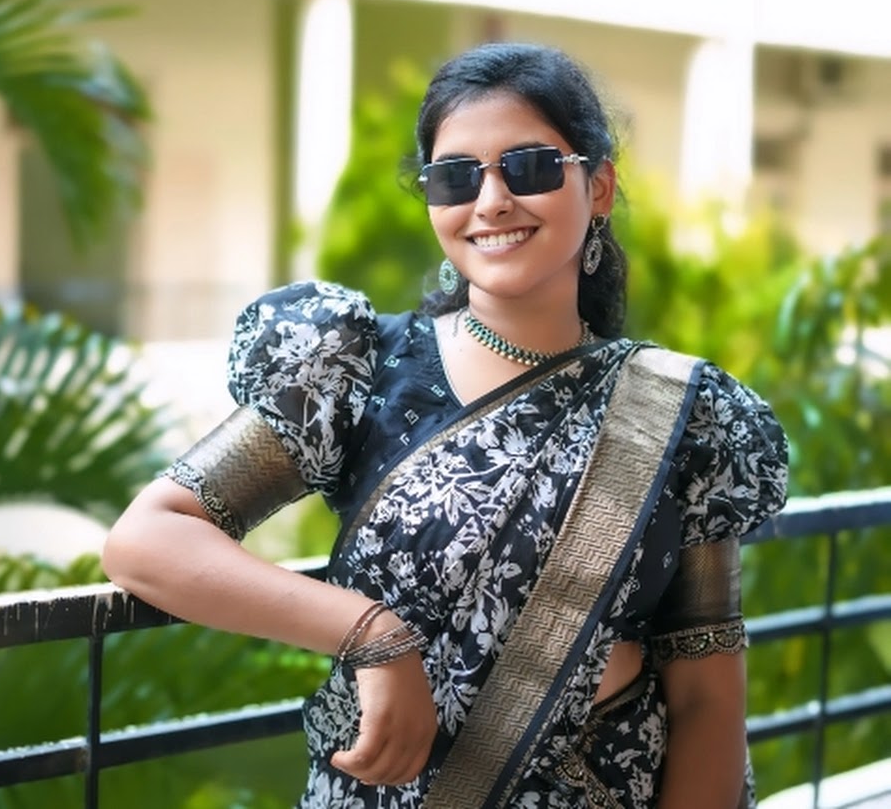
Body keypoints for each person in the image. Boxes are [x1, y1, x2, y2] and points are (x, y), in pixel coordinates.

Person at [102, 41, 788, 808]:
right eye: (456, 176)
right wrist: (370, 632)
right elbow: (148, 539)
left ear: (598, 186)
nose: (491, 201)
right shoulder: (357, 371)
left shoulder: (679, 414)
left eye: (529, 167)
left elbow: (707, 695)